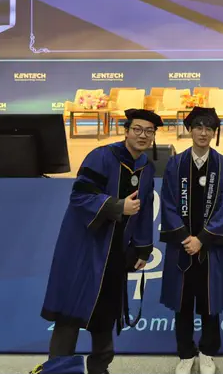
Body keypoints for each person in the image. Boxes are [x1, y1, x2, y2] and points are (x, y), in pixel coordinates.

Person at [40, 108, 161, 374]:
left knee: (106, 312)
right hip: (85, 247)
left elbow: (144, 210)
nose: (143, 135)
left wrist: (142, 247)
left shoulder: (146, 167)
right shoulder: (102, 156)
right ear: (126, 131)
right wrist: (117, 206)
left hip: (115, 251)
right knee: (69, 312)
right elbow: (80, 195)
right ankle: (59, 369)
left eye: (149, 131)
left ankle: (100, 368)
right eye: (137, 129)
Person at [159, 107, 223, 374]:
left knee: (209, 302)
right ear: (190, 130)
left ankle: (207, 352)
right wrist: (185, 237)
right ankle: (185, 352)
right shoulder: (175, 164)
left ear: (214, 133)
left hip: (209, 248)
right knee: (182, 302)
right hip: (181, 246)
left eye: (209, 129)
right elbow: (168, 202)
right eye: (199, 128)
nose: (203, 133)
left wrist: (202, 239)